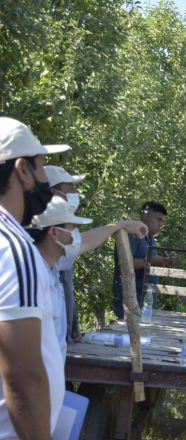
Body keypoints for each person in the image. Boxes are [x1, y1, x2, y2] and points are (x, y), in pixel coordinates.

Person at [0, 116, 69, 437]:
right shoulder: (15, 250)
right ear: (22, 170)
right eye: (41, 167)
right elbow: (23, 378)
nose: (46, 180)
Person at [45, 165, 148, 343]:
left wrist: (119, 225)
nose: (75, 193)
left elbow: (82, 242)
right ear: (50, 192)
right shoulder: (33, 255)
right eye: (70, 189)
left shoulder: (54, 252)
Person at [26, 196, 93, 356]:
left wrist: (117, 226)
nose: (75, 235)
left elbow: (87, 242)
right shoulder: (31, 275)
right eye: (71, 228)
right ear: (54, 232)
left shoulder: (54, 265)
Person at [112, 201, 175, 319]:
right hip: (130, 299)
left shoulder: (150, 238)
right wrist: (151, 261)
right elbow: (125, 264)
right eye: (158, 219)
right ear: (145, 215)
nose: (161, 224)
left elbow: (149, 263)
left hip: (144, 299)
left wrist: (164, 261)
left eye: (163, 221)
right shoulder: (131, 235)